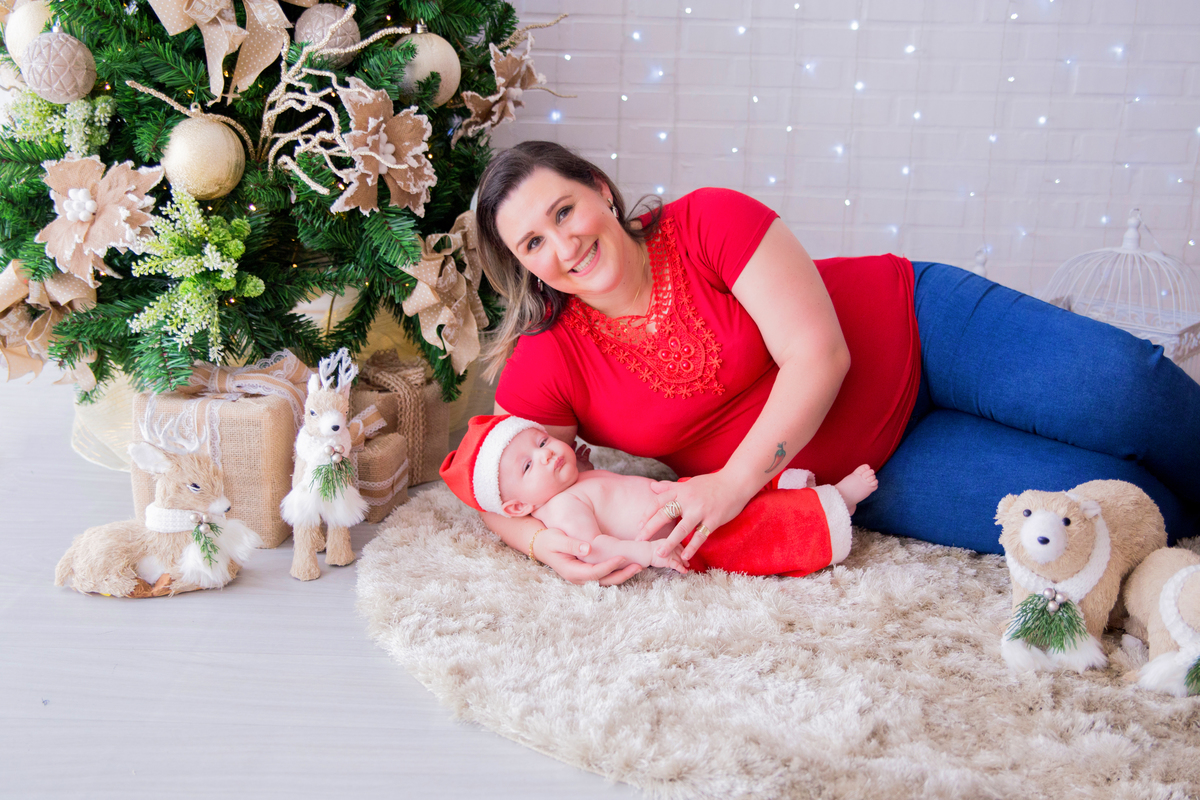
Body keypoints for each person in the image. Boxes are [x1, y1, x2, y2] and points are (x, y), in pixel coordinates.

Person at [471, 140, 1200, 586]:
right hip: (884, 466)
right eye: (533, 243)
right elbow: (489, 475)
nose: (562, 246)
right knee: (1118, 512)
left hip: (923, 329)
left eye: (563, 211)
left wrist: (731, 485)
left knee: (1126, 393)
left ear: (600, 189)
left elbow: (818, 356)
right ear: (525, 268)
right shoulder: (549, 355)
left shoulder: (706, 220)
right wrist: (540, 542)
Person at [438, 413, 879, 577]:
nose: (547, 454)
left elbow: (607, 497)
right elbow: (596, 547)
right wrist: (646, 553)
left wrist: (586, 468)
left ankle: (801, 487)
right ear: (519, 507)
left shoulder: (572, 483)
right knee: (753, 530)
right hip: (678, 535)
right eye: (529, 465)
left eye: (540, 442)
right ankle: (834, 504)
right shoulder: (561, 509)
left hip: (680, 496)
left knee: (735, 489)